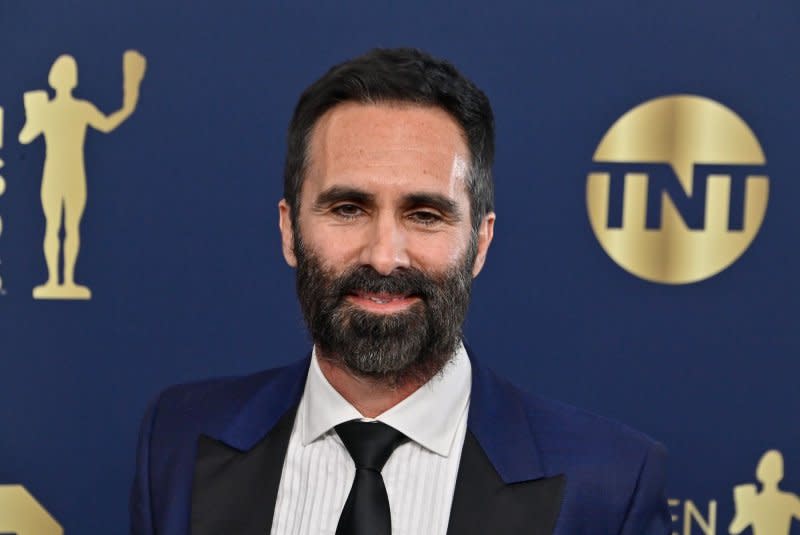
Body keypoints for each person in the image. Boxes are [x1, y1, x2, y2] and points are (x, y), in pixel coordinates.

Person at [130, 47, 669, 535]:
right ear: (289, 230)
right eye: (348, 209)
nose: (384, 256)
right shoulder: (179, 438)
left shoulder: (609, 486)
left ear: (480, 243)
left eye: (425, 214)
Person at [19, 51, 146, 300]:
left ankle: (62, 281)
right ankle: (59, 280)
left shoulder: (68, 109)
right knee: (62, 227)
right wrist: (130, 101)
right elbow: (26, 136)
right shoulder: (70, 109)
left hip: (63, 174)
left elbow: (25, 136)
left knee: (58, 227)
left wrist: (33, 114)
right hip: (65, 174)